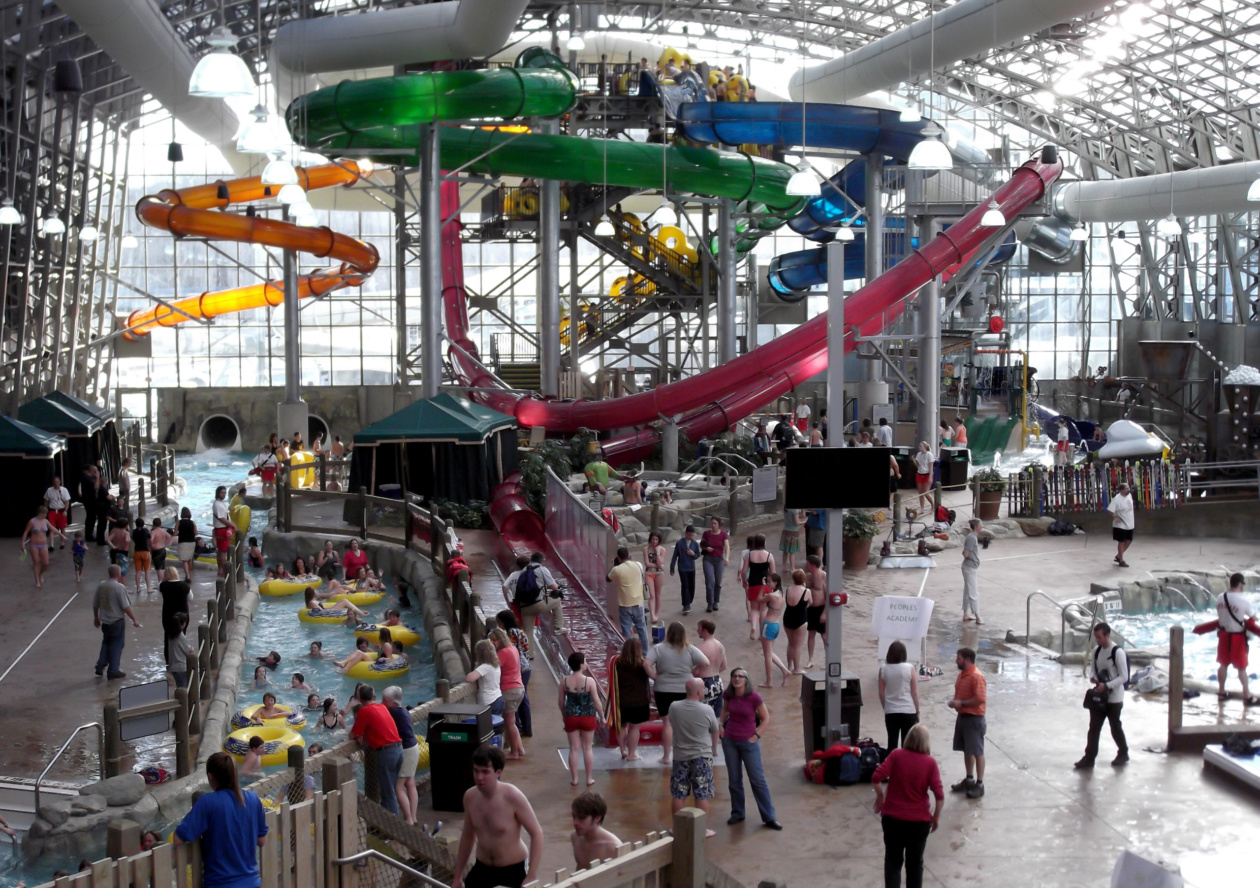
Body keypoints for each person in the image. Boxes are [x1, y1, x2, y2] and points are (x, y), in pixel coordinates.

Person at [451, 746, 544, 888]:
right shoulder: (470, 797)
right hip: (483, 867)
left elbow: (537, 833)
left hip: (513, 869)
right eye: (476, 771)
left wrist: (531, 875)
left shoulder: (513, 796)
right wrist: (457, 877)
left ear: (498, 772)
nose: (479, 777)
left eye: (485, 772)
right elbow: (468, 836)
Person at [173, 753, 267, 887]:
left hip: (220, 883)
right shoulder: (253, 799)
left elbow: (178, 839)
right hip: (252, 882)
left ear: (210, 776)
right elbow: (261, 840)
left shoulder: (207, 802)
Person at [872, 724, 944, 888]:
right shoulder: (930, 763)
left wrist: (880, 796)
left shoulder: (896, 755)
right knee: (915, 864)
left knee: (893, 861)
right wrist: (936, 817)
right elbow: (939, 796)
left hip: (892, 819)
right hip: (919, 823)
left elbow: (876, 777)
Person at [719, 667, 780, 830]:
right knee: (734, 779)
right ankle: (738, 813)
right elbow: (725, 710)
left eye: (741, 676)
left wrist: (756, 735)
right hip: (730, 741)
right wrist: (720, 725)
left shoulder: (754, 697)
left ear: (746, 680)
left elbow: (765, 718)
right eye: (734, 676)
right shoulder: (728, 694)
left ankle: (769, 817)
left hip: (748, 743)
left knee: (757, 779)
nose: (737, 679)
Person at [645, 622, 709, 764]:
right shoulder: (690, 649)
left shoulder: (658, 648)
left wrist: (654, 676)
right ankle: (689, 755)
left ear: (668, 633)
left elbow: (646, 664)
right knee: (686, 722)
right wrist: (694, 672)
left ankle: (666, 757)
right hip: (685, 689)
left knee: (667, 722)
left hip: (663, 689)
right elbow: (706, 663)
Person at [666, 677, 719, 837]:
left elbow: (671, 723)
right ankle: (701, 829)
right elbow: (714, 729)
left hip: (680, 756)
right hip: (702, 756)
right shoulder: (707, 709)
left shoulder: (674, 707)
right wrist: (714, 749)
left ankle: (677, 828)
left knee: (678, 793)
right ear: (699, 692)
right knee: (702, 793)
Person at [1075, 622, 1130, 769]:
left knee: (1115, 727)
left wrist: (1107, 685)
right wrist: (1094, 678)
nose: (1097, 640)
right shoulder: (1097, 651)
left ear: (1107, 635)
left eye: (1099, 637)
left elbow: (1124, 677)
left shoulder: (1117, 652)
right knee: (1094, 728)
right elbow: (1093, 670)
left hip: (1114, 698)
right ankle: (1089, 757)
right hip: (1100, 695)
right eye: (1096, 637)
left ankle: (1123, 752)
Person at [350, 684, 404, 815]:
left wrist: (360, 734)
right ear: (373, 697)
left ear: (359, 699)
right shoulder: (382, 707)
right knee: (390, 790)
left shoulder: (364, 711)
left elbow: (352, 735)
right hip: (398, 750)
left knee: (387, 794)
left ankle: (393, 824)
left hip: (386, 754)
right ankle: (389, 820)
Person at [559, 651, 605, 787]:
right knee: (587, 748)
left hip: (571, 717)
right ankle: (589, 778)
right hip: (587, 716)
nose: (586, 663)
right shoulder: (589, 681)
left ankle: (574, 779)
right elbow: (597, 702)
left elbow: (560, 702)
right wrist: (602, 717)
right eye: (585, 661)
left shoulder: (564, 681)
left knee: (573, 749)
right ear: (580, 664)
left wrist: (564, 715)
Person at [948, 647, 987, 799]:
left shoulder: (977, 676)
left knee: (977, 751)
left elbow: (980, 698)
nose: (956, 661)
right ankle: (969, 779)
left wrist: (961, 703)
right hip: (963, 717)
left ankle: (980, 784)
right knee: (967, 750)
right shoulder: (962, 675)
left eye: (959, 658)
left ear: (967, 660)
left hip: (974, 718)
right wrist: (956, 702)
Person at [383, 685, 421, 825]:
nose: (382, 703)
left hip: (406, 750)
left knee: (398, 787)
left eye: (384, 700)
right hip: (414, 747)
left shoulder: (392, 712)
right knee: (410, 783)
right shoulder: (403, 710)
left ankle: (408, 819)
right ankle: (414, 817)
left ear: (391, 702)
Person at [94, 564, 139, 679]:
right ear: (118, 574)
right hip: (116, 621)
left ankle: (100, 665)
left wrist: (96, 618)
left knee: (106, 643)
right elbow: (126, 606)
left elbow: (95, 604)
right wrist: (134, 619)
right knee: (117, 645)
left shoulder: (101, 585)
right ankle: (113, 670)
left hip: (105, 621)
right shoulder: (119, 587)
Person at [1215, 572, 1255, 703]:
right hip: (1237, 638)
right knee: (1241, 668)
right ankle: (1247, 695)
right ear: (1240, 584)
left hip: (1223, 636)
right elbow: (1254, 618)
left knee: (1223, 665)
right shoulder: (1243, 601)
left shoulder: (1220, 598)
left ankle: (1221, 692)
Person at [504, 553, 567, 635]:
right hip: (537, 605)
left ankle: (525, 643)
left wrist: (508, 601)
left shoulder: (523, 571)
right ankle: (558, 627)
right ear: (542, 561)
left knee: (527, 633)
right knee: (557, 600)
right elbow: (554, 587)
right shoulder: (542, 569)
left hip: (523, 607)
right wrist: (559, 587)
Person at [496, 610, 533, 737]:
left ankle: (517, 727)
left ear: (503, 622)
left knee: (514, 699)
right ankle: (527, 727)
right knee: (523, 696)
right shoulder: (521, 631)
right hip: (526, 667)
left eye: (499, 622)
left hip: (518, 668)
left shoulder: (511, 633)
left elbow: (509, 649)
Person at [612, 637, 651, 761]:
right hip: (639, 702)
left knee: (622, 726)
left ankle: (622, 750)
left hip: (621, 701)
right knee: (634, 728)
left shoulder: (617, 663)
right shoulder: (642, 664)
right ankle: (631, 754)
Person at [491, 629, 527, 761]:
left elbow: (492, 668)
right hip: (519, 688)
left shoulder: (502, 653)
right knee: (512, 722)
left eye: (494, 640)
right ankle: (519, 749)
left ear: (500, 640)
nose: (492, 643)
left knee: (509, 723)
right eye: (491, 640)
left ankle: (514, 752)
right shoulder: (513, 648)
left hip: (509, 690)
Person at [607, 547, 650, 651]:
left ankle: (629, 652)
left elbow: (608, 578)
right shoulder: (638, 565)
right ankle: (645, 651)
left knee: (626, 630)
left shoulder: (617, 570)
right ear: (629, 555)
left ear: (618, 557)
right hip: (638, 602)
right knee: (642, 628)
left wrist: (615, 565)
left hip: (625, 604)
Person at [880, 640, 920, 749]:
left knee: (892, 744)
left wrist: (886, 708)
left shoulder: (883, 669)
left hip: (891, 711)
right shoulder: (910, 668)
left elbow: (881, 694)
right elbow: (914, 693)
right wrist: (917, 711)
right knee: (907, 746)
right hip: (908, 711)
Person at [753, 574, 791, 687]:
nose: (768, 583)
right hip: (776, 624)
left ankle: (769, 681)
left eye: (770, 582)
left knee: (767, 655)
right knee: (769, 652)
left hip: (768, 625)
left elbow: (758, 600)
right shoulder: (781, 594)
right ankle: (785, 670)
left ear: (776, 583)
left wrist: (763, 587)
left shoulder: (771, 595)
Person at [570, 791, 622, 870]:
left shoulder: (613, 847)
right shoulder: (575, 838)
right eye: (574, 816)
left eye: (581, 818)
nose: (575, 823)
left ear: (597, 818)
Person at [21, 504, 63, 588]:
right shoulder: (32, 521)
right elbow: (25, 532)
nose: (46, 515)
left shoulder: (45, 521)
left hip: (43, 544)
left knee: (45, 563)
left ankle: (40, 574)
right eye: (45, 514)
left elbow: (52, 529)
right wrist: (22, 543)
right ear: (41, 513)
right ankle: (37, 580)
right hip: (34, 544)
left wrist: (61, 536)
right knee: (36, 562)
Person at [741, 534, 774, 639]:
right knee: (763, 610)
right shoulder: (769, 555)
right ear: (764, 542)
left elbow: (744, 571)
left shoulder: (749, 555)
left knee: (754, 609)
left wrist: (744, 581)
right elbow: (773, 573)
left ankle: (753, 627)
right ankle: (761, 633)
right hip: (765, 585)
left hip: (753, 584)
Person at [694, 620, 728, 717]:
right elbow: (724, 666)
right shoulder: (720, 646)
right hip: (718, 682)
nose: (697, 631)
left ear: (705, 631)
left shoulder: (699, 648)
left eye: (699, 629)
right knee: (715, 715)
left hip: (705, 684)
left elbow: (695, 670)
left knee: (702, 714)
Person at [466, 639, 504, 717]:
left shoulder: (485, 667)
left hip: (488, 702)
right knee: (496, 722)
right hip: (498, 698)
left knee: (486, 724)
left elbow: (469, 678)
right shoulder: (496, 665)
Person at [782, 569, 810, 674]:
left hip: (787, 617)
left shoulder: (788, 589)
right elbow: (810, 603)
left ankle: (789, 666)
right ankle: (796, 669)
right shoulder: (807, 591)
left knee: (790, 643)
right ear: (804, 579)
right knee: (797, 646)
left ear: (793, 579)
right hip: (800, 619)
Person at [700, 517, 730, 613]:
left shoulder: (723, 534)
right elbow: (702, 545)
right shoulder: (706, 534)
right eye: (712, 523)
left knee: (718, 582)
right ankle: (710, 602)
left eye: (715, 523)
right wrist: (706, 548)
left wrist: (727, 557)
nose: (713, 525)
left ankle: (716, 602)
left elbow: (727, 546)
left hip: (719, 560)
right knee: (710, 582)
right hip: (708, 559)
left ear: (719, 525)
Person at [670, 525, 701, 615]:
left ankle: (689, 600)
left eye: (692, 535)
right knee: (685, 585)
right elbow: (675, 556)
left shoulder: (694, 544)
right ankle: (686, 604)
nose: (690, 536)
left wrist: (693, 554)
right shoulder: (680, 543)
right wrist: (672, 568)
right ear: (686, 533)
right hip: (682, 568)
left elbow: (697, 555)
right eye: (689, 534)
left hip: (691, 568)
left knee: (691, 586)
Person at [805, 554, 828, 668]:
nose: (806, 565)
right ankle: (811, 659)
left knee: (824, 636)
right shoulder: (808, 576)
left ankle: (828, 659)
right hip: (811, 609)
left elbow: (828, 596)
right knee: (811, 634)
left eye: (807, 564)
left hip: (821, 608)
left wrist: (824, 613)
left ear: (813, 565)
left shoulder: (823, 575)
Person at [960, 519, 983, 624]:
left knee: (967, 591)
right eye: (980, 525)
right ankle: (977, 616)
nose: (982, 526)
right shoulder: (971, 538)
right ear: (976, 526)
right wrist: (966, 553)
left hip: (971, 567)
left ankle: (966, 613)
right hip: (969, 568)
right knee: (973, 592)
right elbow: (966, 554)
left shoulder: (973, 537)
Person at [1108, 482, 1134, 568]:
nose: (1128, 490)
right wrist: (1115, 518)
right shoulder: (1116, 499)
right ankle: (1121, 560)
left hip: (1129, 523)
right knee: (1121, 541)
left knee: (1129, 540)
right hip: (1120, 524)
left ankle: (1119, 555)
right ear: (1121, 490)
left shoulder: (1129, 496)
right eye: (1126, 489)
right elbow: (1110, 511)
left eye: (1128, 488)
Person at [642, 532, 666, 625]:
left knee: (658, 594)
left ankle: (656, 613)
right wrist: (659, 565)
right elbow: (647, 564)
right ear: (650, 539)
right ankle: (652, 615)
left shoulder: (662, 550)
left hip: (659, 573)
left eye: (656, 539)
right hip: (649, 573)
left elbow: (660, 562)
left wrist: (657, 552)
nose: (654, 541)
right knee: (651, 595)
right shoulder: (646, 549)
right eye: (653, 539)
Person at [166, 612, 193, 689]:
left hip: (174, 667)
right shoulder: (181, 637)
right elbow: (189, 651)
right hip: (181, 668)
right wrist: (191, 649)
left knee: (180, 687)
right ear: (183, 624)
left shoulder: (170, 636)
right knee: (183, 689)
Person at [43, 475, 72, 545]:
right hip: (52, 511)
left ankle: (62, 542)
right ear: (53, 483)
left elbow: (67, 502)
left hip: (61, 511)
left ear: (60, 482)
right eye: (55, 482)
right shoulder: (49, 490)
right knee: (51, 528)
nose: (56, 483)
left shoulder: (64, 490)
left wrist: (66, 510)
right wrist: (45, 510)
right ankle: (51, 544)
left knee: (62, 527)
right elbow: (46, 500)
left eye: (57, 482)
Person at [211, 486, 232, 578]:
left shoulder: (220, 503)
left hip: (221, 528)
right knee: (223, 551)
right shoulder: (217, 504)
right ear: (218, 493)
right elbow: (221, 518)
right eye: (222, 493)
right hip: (222, 529)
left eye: (225, 493)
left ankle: (220, 569)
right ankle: (223, 570)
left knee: (220, 551)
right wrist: (232, 525)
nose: (224, 494)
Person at [79, 463, 101, 545]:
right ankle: (89, 535)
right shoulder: (86, 478)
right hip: (90, 501)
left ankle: (89, 534)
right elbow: (95, 487)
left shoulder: (87, 477)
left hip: (90, 500)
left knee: (91, 517)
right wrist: (97, 478)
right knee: (91, 518)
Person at [131, 517, 152, 597]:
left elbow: (133, 538)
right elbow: (149, 537)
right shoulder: (145, 530)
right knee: (147, 571)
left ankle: (138, 588)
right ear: (143, 524)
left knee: (138, 571)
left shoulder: (134, 532)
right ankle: (149, 588)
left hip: (137, 552)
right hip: (145, 552)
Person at [778, 508, 804, 573]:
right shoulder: (794, 510)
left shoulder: (786, 509)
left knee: (785, 551)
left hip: (785, 531)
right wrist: (804, 521)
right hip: (793, 532)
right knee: (792, 552)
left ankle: (784, 567)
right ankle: (792, 568)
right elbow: (797, 522)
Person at [177, 506, 197, 582]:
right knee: (190, 559)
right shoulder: (192, 522)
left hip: (183, 542)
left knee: (184, 560)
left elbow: (175, 533)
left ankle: (187, 576)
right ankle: (189, 574)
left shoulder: (179, 522)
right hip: (192, 542)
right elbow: (196, 532)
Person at [913, 443, 934, 513]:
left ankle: (932, 504)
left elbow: (931, 467)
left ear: (925, 447)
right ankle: (922, 508)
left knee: (926, 492)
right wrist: (914, 460)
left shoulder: (929, 455)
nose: (919, 447)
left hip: (927, 474)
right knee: (920, 493)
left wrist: (930, 476)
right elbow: (918, 466)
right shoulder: (919, 454)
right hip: (919, 474)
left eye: (921, 446)